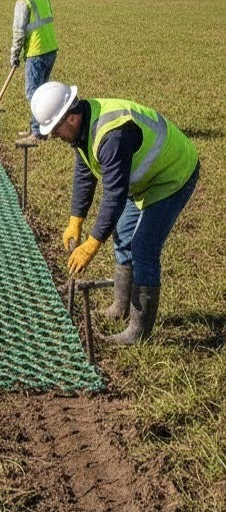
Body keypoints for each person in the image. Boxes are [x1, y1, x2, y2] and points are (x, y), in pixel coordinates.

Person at [31, 81, 200, 345]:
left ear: (72, 118)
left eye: (55, 130)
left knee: (143, 247)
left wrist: (92, 243)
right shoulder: (85, 127)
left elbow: (114, 195)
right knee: (122, 233)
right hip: (143, 178)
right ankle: (120, 307)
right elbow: (86, 171)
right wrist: (76, 219)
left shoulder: (112, 135)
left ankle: (139, 331)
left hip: (172, 175)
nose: (54, 136)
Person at [5, 0, 58, 138]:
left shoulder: (23, 1)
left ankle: (37, 133)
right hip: (51, 49)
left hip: (37, 51)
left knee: (33, 93)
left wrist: (14, 55)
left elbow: (19, 32)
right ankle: (39, 127)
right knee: (41, 91)